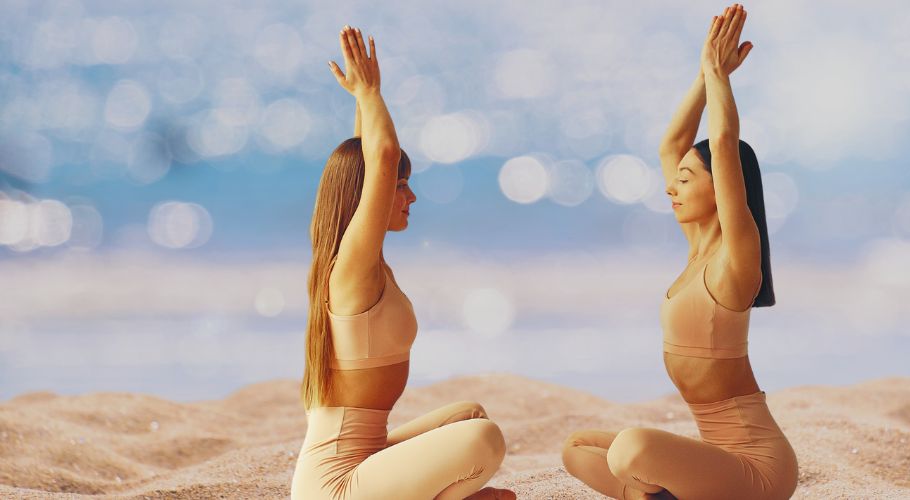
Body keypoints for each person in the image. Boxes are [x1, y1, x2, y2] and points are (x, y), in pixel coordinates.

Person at [561, 5, 798, 499]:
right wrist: (702, 72)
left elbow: (727, 145)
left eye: (687, 180)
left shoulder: (736, 264)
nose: (671, 188)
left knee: (630, 451)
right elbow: (672, 142)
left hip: (758, 471)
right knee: (578, 448)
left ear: (722, 190)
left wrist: (719, 78)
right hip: (715, 464)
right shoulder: (696, 252)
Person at [289, 25, 515, 500]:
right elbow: (381, 157)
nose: (410, 195)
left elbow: (368, 160)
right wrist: (372, 93)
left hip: (367, 461)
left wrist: (359, 101)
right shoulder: (349, 270)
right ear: (369, 193)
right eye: (400, 185)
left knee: (470, 415)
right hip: (336, 486)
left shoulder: (361, 263)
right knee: (483, 439)